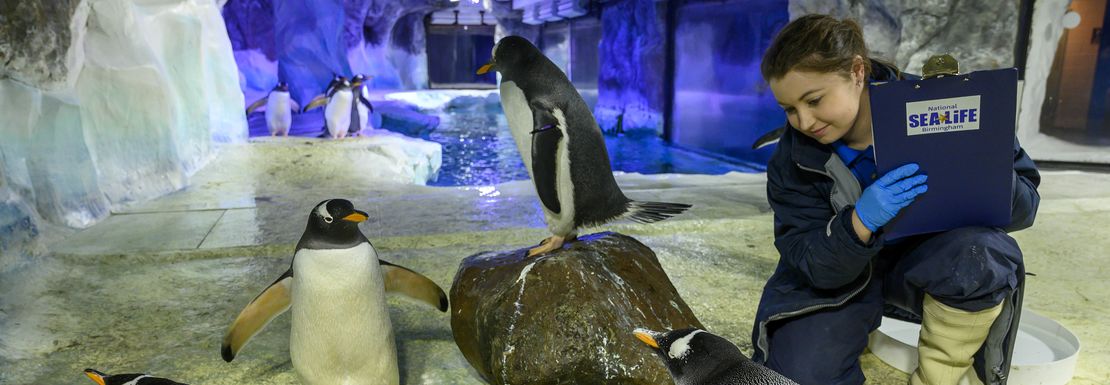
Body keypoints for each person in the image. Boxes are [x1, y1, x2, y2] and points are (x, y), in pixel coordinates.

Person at [750, 14, 1040, 385]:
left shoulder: (943, 106)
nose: (804, 121)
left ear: (857, 72)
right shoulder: (792, 160)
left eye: (814, 100)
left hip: (928, 263)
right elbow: (810, 261)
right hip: (839, 278)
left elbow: (1026, 206)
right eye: (789, 109)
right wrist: (860, 223)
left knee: (983, 253)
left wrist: (976, 157)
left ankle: (941, 375)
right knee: (802, 375)